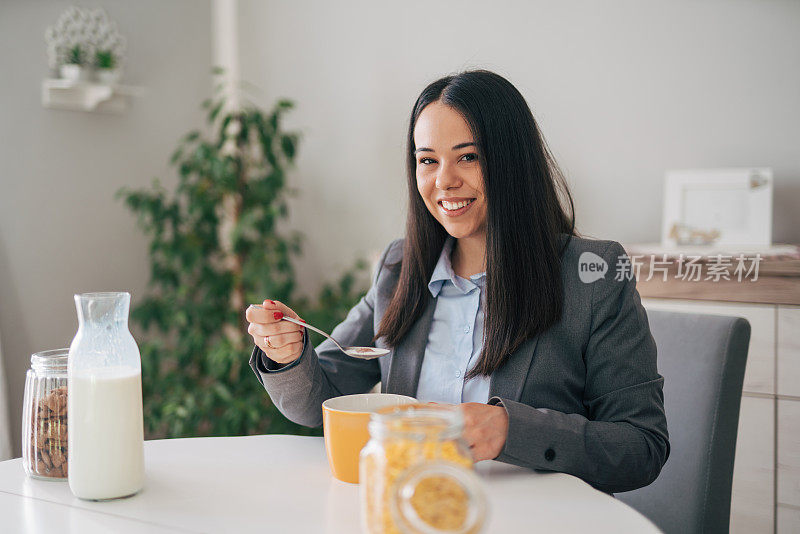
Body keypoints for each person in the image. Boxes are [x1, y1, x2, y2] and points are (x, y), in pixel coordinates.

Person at [245, 70, 668, 494]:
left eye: (468, 157)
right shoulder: (400, 266)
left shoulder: (589, 276)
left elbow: (641, 446)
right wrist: (288, 355)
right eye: (428, 160)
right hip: (413, 509)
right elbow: (321, 397)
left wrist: (510, 430)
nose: (444, 181)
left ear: (512, 161)